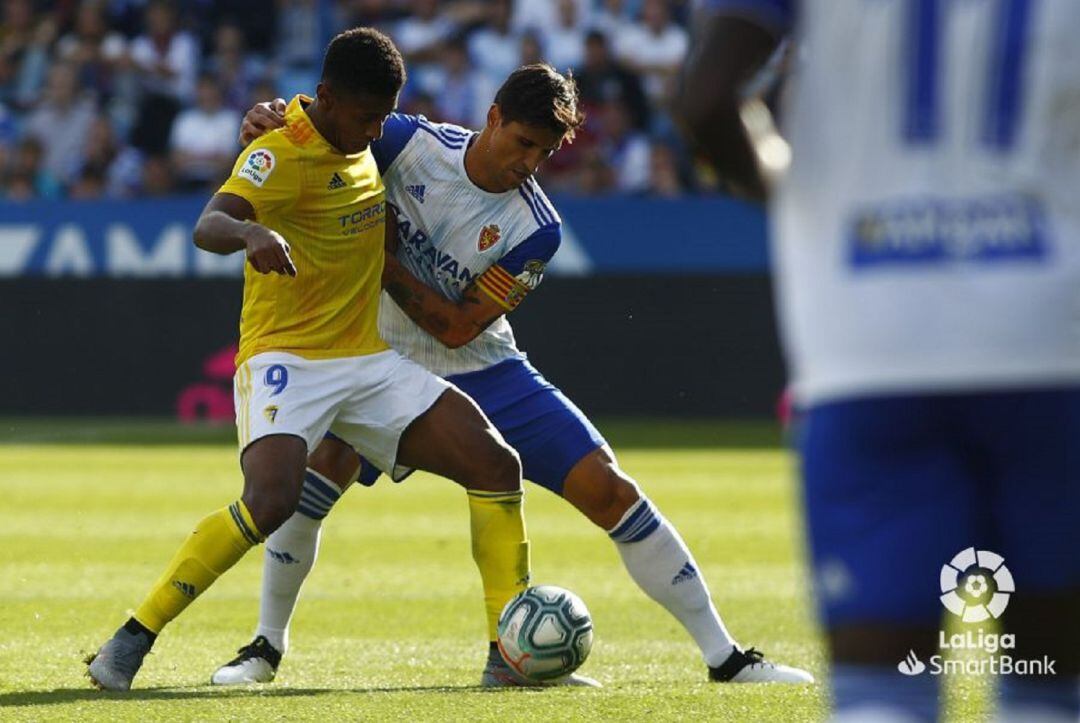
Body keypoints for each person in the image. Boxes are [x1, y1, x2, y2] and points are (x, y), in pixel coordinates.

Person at [212, 62, 813, 688]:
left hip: (481, 367)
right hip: (373, 355)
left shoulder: (537, 228)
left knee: (610, 488)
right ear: (493, 117)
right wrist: (272, 118)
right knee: (315, 481)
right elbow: (321, 132)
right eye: (524, 143)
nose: (530, 163)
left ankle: (726, 657)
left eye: (545, 153)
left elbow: (456, 327)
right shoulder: (407, 144)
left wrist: (380, 261)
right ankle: (264, 648)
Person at [85, 27, 531, 692]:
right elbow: (208, 224)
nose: (374, 131)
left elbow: (374, 131)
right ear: (327, 97)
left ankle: (508, 654)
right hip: (286, 358)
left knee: (496, 464)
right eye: (365, 117)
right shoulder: (279, 152)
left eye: (383, 116)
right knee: (271, 500)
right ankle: (131, 638)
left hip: (365, 358)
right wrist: (251, 231)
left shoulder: (361, 136)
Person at [679, 2, 1080, 721]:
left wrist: (789, 197)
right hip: (1053, 334)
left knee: (882, 694)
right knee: (1050, 687)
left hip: (869, 340)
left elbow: (704, 99)